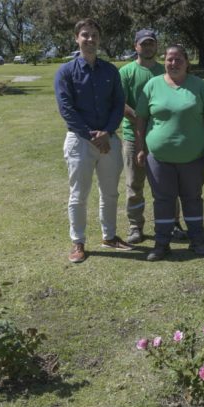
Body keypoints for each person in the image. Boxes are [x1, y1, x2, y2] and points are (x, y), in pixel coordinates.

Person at [134, 44, 204, 261]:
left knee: (193, 199)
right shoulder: (152, 85)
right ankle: (162, 244)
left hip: (193, 157)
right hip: (159, 158)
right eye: (169, 59)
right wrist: (140, 148)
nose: (173, 63)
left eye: (178, 59)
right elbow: (141, 118)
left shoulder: (198, 85)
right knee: (163, 200)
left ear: (187, 61)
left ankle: (197, 241)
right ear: (164, 61)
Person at [54, 18, 130, 263]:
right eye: (85, 35)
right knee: (79, 194)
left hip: (108, 139)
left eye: (94, 35)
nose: (90, 39)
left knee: (110, 193)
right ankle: (78, 242)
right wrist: (92, 136)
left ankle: (109, 236)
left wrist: (107, 132)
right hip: (79, 141)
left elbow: (119, 104)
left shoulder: (110, 70)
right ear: (77, 38)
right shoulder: (66, 72)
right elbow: (66, 110)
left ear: (99, 39)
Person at [119, 29, 164, 245]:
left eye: (151, 44)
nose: (148, 47)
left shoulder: (165, 71)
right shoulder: (127, 72)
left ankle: (171, 223)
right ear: (135, 46)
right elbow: (119, 102)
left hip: (161, 137)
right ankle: (135, 226)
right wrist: (139, 118)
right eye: (143, 44)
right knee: (134, 185)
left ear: (156, 46)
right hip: (131, 136)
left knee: (165, 184)